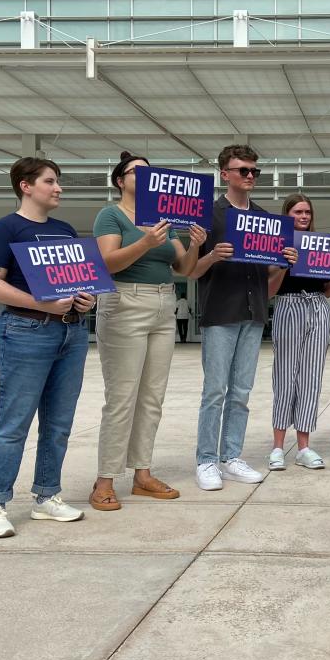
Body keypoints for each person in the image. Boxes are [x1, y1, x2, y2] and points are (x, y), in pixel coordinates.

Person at [0, 157, 95, 538]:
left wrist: (86, 299)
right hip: (26, 330)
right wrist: (39, 303)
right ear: (26, 186)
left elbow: (77, 279)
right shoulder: (5, 228)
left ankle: (47, 496)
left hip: (71, 332)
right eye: (50, 181)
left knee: (59, 423)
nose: (58, 187)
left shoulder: (64, 230)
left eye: (58, 181)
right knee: (14, 424)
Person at [89, 151, 207, 512]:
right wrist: (143, 242)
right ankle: (105, 480)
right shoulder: (110, 214)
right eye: (135, 171)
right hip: (125, 302)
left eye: (149, 171)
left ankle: (142, 474)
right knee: (122, 397)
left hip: (163, 304)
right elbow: (106, 263)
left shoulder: (163, 220)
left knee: (152, 396)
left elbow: (186, 268)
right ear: (120, 180)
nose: (143, 176)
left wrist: (196, 243)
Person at [188, 145, 297, 491]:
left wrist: (282, 263)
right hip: (221, 310)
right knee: (215, 390)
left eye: (254, 171)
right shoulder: (207, 214)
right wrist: (212, 256)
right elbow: (191, 271)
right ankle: (206, 459)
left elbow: (269, 275)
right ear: (225, 174)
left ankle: (231, 455)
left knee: (241, 391)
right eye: (242, 170)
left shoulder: (265, 219)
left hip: (254, 312)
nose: (250, 176)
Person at [266, 194, 330, 471]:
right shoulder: (279, 246)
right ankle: (277, 446)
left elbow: (327, 291)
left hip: (318, 307)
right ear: (288, 215)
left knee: (311, 377)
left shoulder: (321, 246)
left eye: (307, 211)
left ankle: (304, 446)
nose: (304, 216)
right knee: (285, 376)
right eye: (298, 211)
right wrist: (283, 264)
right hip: (288, 305)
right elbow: (269, 289)